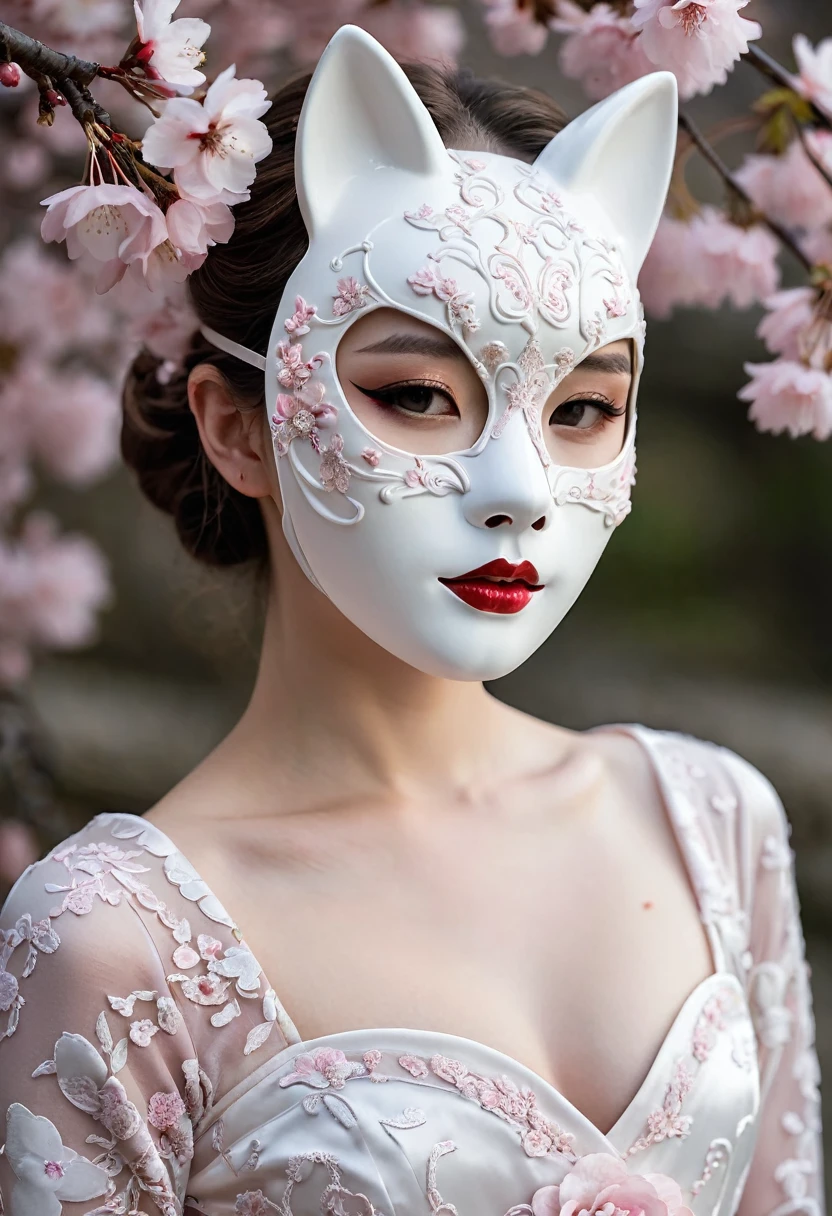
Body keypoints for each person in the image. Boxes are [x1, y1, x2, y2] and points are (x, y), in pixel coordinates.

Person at [0, 25, 823, 1216]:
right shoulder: (114, 946)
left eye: (585, 407)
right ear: (237, 427)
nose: (520, 490)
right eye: (419, 396)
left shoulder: (710, 828)